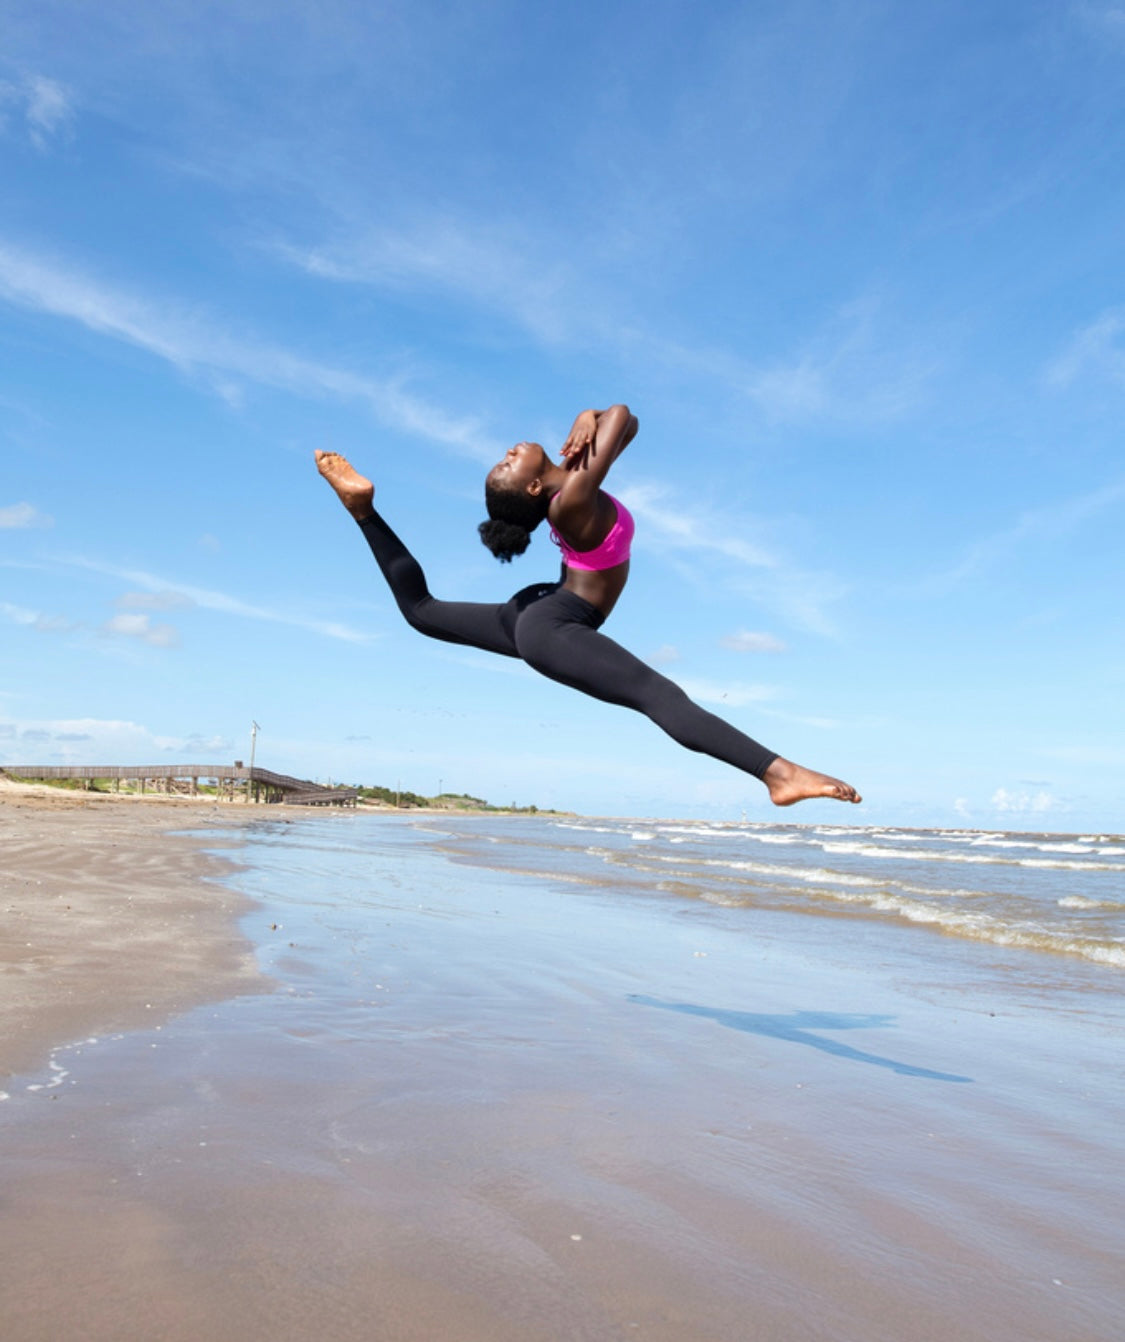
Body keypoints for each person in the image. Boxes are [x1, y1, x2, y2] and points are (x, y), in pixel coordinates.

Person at [315, 404, 860, 807]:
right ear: (533, 488)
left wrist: (595, 422)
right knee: (656, 693)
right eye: (506, 466)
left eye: (501, 460)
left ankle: (361, 510)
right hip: (553, 622)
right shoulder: (570, 498)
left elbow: (630, 426)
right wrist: (591, 414)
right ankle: (777, 774)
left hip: (540, 607)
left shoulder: (572, 481)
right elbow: (622, 416)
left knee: (422, 611)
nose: (506, 454)